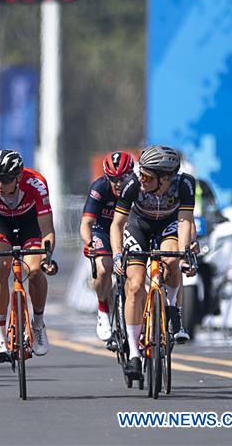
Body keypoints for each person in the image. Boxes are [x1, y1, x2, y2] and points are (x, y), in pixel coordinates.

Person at [110, 145, 197, 381]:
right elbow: (117, 224)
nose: (142, 179)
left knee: (172, 258)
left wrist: (185, 252)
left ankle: (172, 311)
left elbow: (185, 221)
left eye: (148, 176)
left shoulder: (185, 184)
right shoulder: (133, 184)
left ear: (165, 178)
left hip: (169, 225)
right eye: (141, 173)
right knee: (136, 285)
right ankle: (134, 355)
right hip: (139, 227)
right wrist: (118, 255)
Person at [0, 150, 57, 363]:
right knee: (0, 264)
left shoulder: (36, 183)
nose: (0, 184)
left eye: (6, 179)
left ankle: (38, 324)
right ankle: (0, 337)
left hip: (29, 223)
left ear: (18, 177)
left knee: (34, 270)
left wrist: (47, 258)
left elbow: (47, 229)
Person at [79, 150, 135, 343]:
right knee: (104, 269)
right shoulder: (100, 187)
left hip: (129, 231)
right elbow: (86, 223)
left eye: (123, 178)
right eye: (113, 179)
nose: (118, 183)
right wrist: (89, 243)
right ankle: (103, 308)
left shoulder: (138, 187)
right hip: (102, 230)